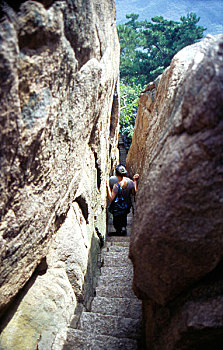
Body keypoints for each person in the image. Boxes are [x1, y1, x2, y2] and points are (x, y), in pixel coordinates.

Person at [106, 164, 139, 235]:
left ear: (116, 174)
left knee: (117, 221)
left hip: (117, 208)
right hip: (126, 206)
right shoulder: (130, 182)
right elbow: (134, 192)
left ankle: (118, 231)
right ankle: (123, 229)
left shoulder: (116, 186)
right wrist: (135, 181)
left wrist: (108, 187)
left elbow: (111, 198)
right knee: (124, 218)